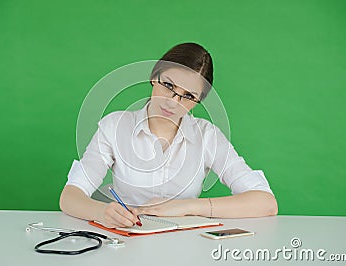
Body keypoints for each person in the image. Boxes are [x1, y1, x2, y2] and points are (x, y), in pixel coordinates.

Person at [60, 42, 278, 228]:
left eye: (188, 96)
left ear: (198, 101)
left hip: (186, 246)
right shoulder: (114, 126)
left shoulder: (207, 136)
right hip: (126, 241)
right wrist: (103, 212)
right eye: (168, 85)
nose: (173, 102)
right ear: (154, 77)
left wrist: (187, 207)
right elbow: (70, 197)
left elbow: (266, 203)